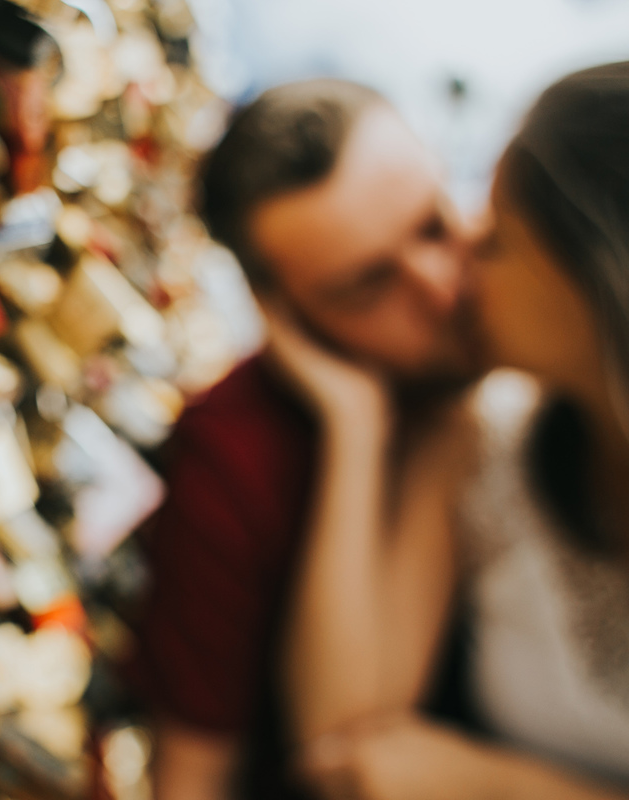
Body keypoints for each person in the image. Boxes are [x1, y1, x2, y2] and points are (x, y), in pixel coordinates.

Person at [281, 61, 629, 800]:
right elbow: (345, 752)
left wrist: (502, 787)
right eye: (364, 283)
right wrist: (354, 422)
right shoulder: (485, 435)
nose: (454, 270)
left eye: (494, 239)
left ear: (596, 281)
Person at [135, 79, 478, 800]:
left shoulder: (535, 313)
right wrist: (356, 425)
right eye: (368, 285)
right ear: (281, 312)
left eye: (434, 225)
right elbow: (193, 777)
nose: (441, 288)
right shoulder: (234, 452)